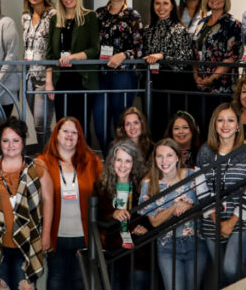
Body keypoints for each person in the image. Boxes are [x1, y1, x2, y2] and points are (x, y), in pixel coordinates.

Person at [0, 118, 54, 290]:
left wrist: (46, 234)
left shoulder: (37, 168)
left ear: (23, 141)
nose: (10, 145)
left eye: (15, 140)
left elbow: (48, 200)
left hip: (27, 241)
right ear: (0, 142)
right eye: (6, 140)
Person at [197, 103, 246, 285]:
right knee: (222, 275)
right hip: (213, 222)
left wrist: (231, 222)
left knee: (231, 268)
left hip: (244, 220)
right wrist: (216, 220)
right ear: (214, 124)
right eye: (221, 120)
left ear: (237, 125)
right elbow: (201, 189)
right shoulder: (205, 152)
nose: (225, 125)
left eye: (230, 120)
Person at [37, 117, 102, 290]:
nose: (70, 135)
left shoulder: (91, 162)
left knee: (80, 282)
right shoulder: (42, 162)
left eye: (75, 132)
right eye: (65, 130)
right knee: (56, 281)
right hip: (56, 236)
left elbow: (105, 192)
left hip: (83, 235)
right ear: (56, 134)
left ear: (80, 137)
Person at [141, 138, 206, 290]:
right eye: (159, 156)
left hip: (196, 243)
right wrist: (174, 207)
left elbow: (206, 209)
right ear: (154, 159)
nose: (164, 161)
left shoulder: (194, 175)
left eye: (169, 155)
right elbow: (155, 222)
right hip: (167, 247)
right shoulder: (149, 184)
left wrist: (189, 207)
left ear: (178, 157)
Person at [95, 0, 144, 150]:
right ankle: (110, 159)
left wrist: (123, 55)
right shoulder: (99, 14)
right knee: (100, 124)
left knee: (120, 122)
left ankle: (123, 160)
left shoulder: (133, 15)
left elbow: (140, 49)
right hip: (101, 75)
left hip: (123, 76)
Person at [44, 0, 100, 129]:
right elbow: (49, 54)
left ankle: (81, 153)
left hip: (82, 79)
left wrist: (73, 57)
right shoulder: (55, 19)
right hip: (61, 79)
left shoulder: (89, 17)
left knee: (80, 126)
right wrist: (49, 82)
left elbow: (95, 49)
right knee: (62, 126)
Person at [94, 139, 149, 290]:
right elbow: (94, 217)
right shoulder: (101, 186)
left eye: (128, 161)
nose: (123, 165)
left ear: (134, 164)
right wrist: (113, 214)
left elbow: (151, 213)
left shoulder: (143, 186)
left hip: (139, 252)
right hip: (113, 252)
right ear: (112, 161)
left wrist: (146, 228)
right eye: (119, 160)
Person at [143, 0, 194, 139]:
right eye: (157, 3)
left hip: (174, 86)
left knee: (171, 127)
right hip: (153, 85)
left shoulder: (180, 30)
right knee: (154, 127)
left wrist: (162, 56)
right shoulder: (148, 30)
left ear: (172, 6)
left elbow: (184, 58)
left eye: (165, 3)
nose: (161, 7)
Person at [193, 0, 241, 123]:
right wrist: (196, 77)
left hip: (222, 88)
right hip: (200, 86)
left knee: (219, 126)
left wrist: (211, 79)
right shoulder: (201, 23)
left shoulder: (233, 24)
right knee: (201, 125)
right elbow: (195, 52)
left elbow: (230, 58)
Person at [22, 0, 57, 144]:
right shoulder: (25, 17)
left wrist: (50, 78)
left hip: (45, 77)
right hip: (29, 76)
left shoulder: (53, 15)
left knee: (41, 123)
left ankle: (46, 160)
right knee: (38, 125)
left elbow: (53, 49)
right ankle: (44, 157)